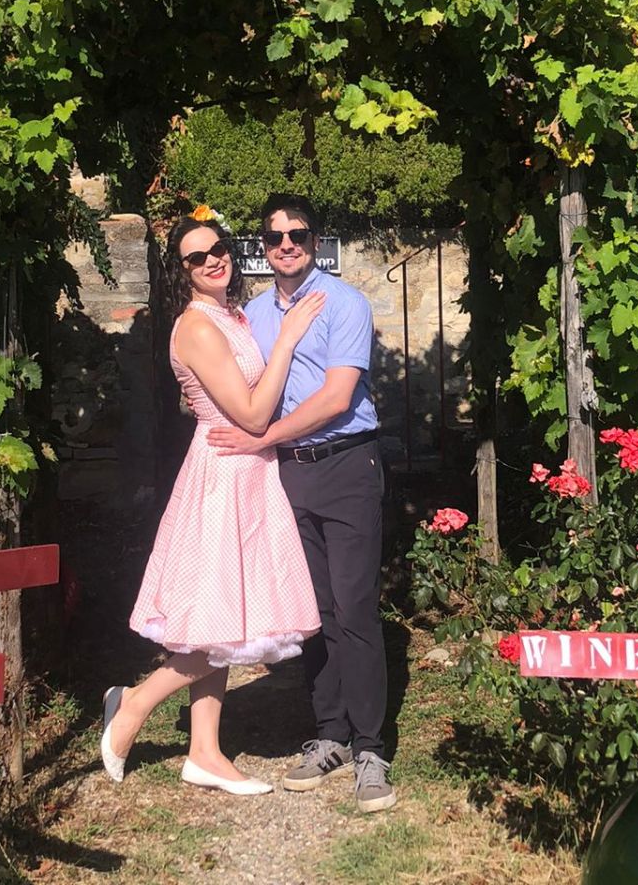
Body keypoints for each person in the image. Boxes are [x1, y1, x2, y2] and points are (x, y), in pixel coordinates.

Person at [101, 212, 325, 796]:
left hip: (248, 471)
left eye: (218, 248)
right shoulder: (198, 327)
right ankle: (135, 703)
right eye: (197, 258)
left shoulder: (231, 316)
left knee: (221, 615)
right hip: (224, 474)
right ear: (183, 272)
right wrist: (291, 340)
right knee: (221, 619)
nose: (212, 261)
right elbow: (250, 415)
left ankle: (203, 752)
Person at [206, 193, 395, 813]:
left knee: (356, 604)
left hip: (346, 464)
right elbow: (247, 391)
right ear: (261, 246)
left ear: (316, 241)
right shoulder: (255, 315)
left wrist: (263, 435)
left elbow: (338, 397)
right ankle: (329, 734)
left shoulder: (346, 303)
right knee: (312, 609)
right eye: (274, 236)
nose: (286, 245)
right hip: (289, 474)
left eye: (299, 235)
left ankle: (371, 748)